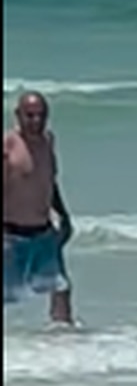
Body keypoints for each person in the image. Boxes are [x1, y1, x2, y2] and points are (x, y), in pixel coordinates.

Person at [3, 91, 75, 324]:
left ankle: (63, 342)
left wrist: (64, 216)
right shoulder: (8, 146)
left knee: (61, 289)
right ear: (18, 115)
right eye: (30, 115)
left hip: (43, 232)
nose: (36, 121)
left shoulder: (48, 141)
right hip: (11, 235)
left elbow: (48, 182)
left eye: (41, 115)